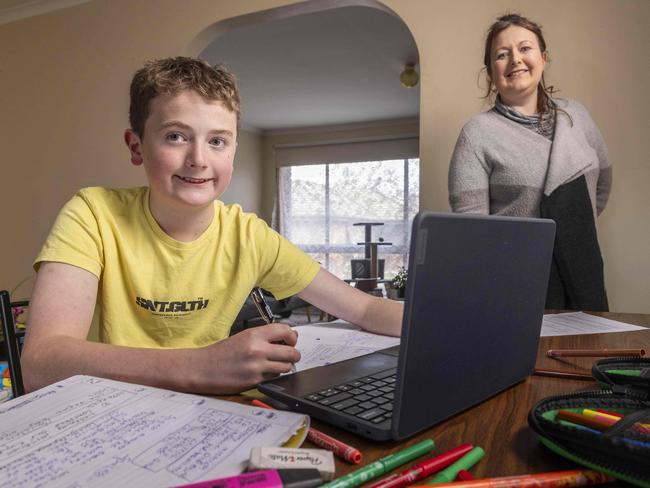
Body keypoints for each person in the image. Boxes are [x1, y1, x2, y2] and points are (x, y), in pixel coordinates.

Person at [22, 57, 403, 395]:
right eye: (176, 136)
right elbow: (41, 362)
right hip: (105, 410)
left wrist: (451, 330)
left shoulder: (249, 236)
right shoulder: (92, 214)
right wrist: (198, 366)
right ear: (136, 146)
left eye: (218, 141)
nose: (198, 159)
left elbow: (366, 309)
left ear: (233, 151)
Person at [448, 14, 612, 311]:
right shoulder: (477, 134)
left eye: (525, 48)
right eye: (502, 54)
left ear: (544, 58)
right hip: (516, 286)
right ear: (490, 70)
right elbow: (472, 232)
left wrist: (568, 231)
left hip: (585, 272)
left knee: (589, 353)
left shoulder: (577, 116)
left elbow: (601, 186)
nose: (515, 60)